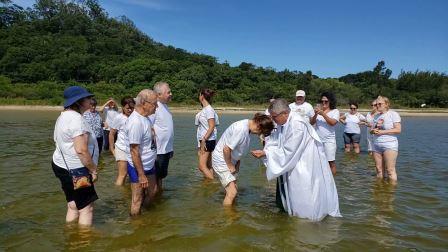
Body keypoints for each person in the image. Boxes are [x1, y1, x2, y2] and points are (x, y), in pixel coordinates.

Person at [251, 99, 341, 221]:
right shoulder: (285, 122)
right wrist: (267, 150)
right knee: (292, 194)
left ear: (284, 113)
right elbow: (278, 141)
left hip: (303, 164)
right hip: (295, 162)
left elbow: (289, 151)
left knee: (304, 193)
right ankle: (290, 215)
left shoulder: (297, 124)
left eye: (274, 117)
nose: (273, 120)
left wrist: (265, 153)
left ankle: (306, 219)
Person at [51, 86, 99, 226]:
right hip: (77, 170)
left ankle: (71, 234)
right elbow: (81, 150)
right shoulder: (76, 120)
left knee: (73, 205)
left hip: (61, 165)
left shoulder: (63, 116)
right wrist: (93, 170)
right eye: (88, 98)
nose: (91, 101)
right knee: (86, 208)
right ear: (78, 102)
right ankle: (83, 243)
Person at [212, 113, 274, 206]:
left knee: (234, 190)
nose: (259, 135)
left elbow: (237, 150)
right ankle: (227, 218)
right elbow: (226, 149)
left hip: (230, 160)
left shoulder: (247, 128)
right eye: (261, 132)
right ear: (258, 126)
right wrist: (230, 166)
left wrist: (236, 165)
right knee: (232, 192)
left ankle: (232, 210)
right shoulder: (241, 129)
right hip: (222, 160)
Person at [124, 89, 159, 216]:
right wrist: (141, 175)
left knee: (153, 191)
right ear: (144, 103)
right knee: (137, 199)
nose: (157, 107)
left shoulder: (145, 118)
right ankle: (136, 226)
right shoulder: (135, 122)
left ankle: (144, 215)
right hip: (138, 168)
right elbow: (134, 151)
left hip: (149, 164)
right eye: (155, 104)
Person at [371, 96, 401, 183]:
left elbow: (398, 130)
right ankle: (380, 190)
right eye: (376, 104)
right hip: (376, 145)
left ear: (386, 104)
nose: (377, 106)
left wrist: (382, 132)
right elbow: (372, 131)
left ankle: (390, 193)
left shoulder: (393, 114)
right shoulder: (376, 116)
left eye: (380, 104)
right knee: (379, 170)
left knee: (390, 170)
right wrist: (373, 131)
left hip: (389, 145)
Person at [150, 82, 174, 193]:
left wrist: (170, 149)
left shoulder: (164, 106)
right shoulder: (154, 106)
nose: (171, 94)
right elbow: (148, 127)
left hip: (165, 150)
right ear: (158, 94)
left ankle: (159, 198)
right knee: (154, 180)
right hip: (158, 151)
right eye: (168, 92)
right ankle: (151, 203)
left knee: (160, 177)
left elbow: (167, 129)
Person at [310, 92, 340, 175]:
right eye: (322, 101)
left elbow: (332, 123)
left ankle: (332, 181)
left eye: (326, 101)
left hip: (329, 141)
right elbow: (311, 123)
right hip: (318, 140)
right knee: (318, 162)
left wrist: (323, 114)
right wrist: (316, 114)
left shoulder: (335, 111)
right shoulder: (318, 111)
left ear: (330, 101)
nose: (323, 103)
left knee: (331, 162)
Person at [109, 97, 135, 186]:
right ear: (123, 107)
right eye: (128, 108)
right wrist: (112, 148)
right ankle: (119, 198)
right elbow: (112, 133)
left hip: (133, 149)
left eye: (132, 108)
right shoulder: (119, 118)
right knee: (122, 174)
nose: (130, 110)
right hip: (121, 148)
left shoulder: (136, 117)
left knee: (133, 174)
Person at [195, 88, 219, 179]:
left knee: (202, 166)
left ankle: (213, 183)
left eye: (199, 95)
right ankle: (208, 185)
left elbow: (212, 126)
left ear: (202, 96)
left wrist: (203, 140)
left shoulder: (208, 110)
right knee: (208, 166)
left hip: (207, 140)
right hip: (208, 139)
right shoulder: (206, 109)